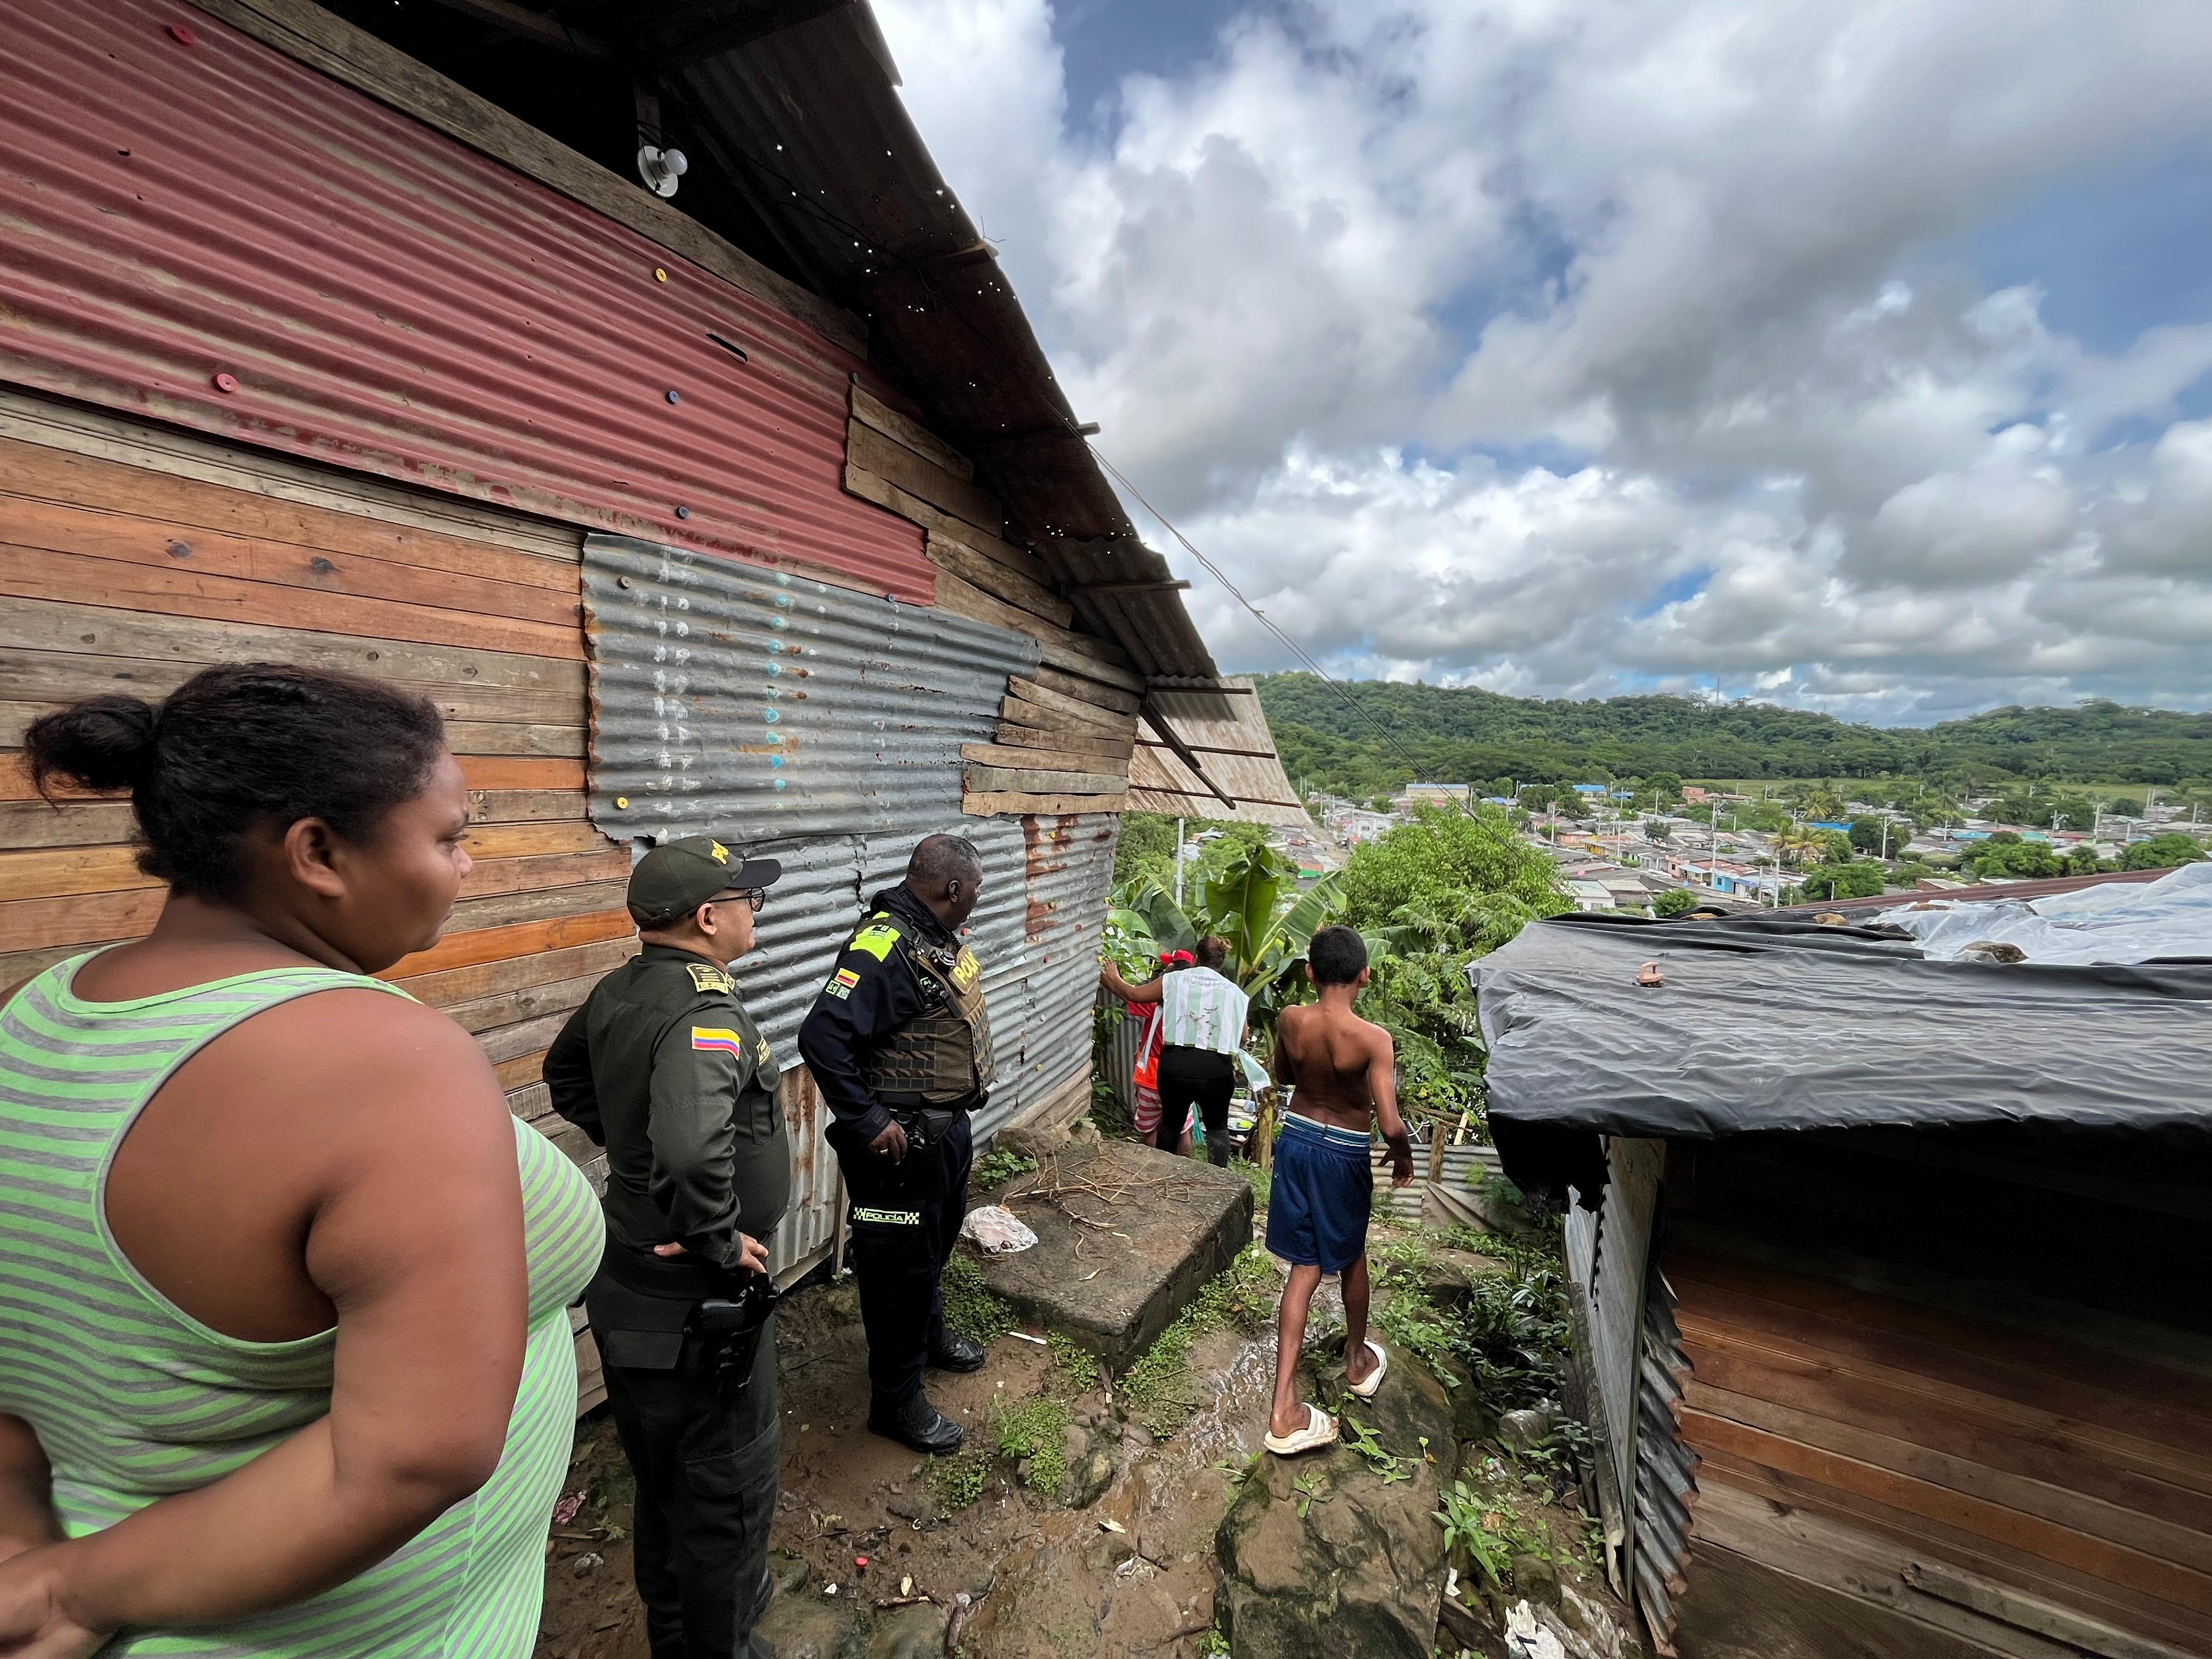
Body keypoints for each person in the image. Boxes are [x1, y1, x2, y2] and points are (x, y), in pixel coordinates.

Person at [0, 664, 602, 1656]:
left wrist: (29, 1536)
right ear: (317, 851)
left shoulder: (46, 1009)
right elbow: (412, 1457)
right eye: (448, 836)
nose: (466, 867)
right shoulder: (385, 1063)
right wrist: (70, 1589)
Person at [544, 836, 789, 1659]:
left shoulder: (623, 989)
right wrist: (713, 1239)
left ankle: (678, 1641)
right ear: (709, 917)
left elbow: (565, 1072)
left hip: (630, 1292)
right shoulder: (703, 1013)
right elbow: (690, 1151)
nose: (757, 909)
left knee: (665, 1486)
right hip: (693, 1312)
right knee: (724, 1503)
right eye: (747, 898)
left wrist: (634, 1166)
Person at [797, 834, 992, 1454]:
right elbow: (822, 1037)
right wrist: (866, 1120)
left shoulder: (929, 937)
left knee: (932, 1249)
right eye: (976, 891)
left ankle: (928, 1339)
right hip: (899, 1153)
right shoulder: (883, 946)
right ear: (953, 889)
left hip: (942, 1134)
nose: (977, 902)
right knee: (896, 1273)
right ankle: (896, 1401)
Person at [1260, 925, 1414, 1455]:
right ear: (1364, 976)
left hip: (1297, 1142)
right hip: (1344, 1151)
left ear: (1309, 973)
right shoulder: (1374, 1040)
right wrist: (1403, 1156)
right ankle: (1356, 1361)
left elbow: (1283, 1074)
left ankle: (1284, 1408)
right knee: (1350, 1257)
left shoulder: (1291, 1020)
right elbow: (1390, 1124)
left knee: (1304, 1265)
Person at [1099, 935, 1248, 1165]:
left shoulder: (1173, 980)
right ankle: (1219, 1180)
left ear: (1196, 958)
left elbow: (1133, 995)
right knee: (1217, 1128)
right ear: (1220, 963)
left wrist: (1114, 978)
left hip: (1176, 1067)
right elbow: (1244, 1036)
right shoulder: (1234, 992)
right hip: (1216, 1071)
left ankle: (1165, 1174)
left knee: (1171, 1124)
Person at [1124, 951, 1195, 1155]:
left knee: (1149, 1130)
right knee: (1182, 1129)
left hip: (1151, 1079)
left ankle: (1159, 1167)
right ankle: (1185, 1167)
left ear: (1173, 969)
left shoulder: (1155, 1004)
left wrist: (1110, 976)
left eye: (1168, 966)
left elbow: (1129, 994)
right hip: (1182, 1077)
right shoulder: (1195, 1006)